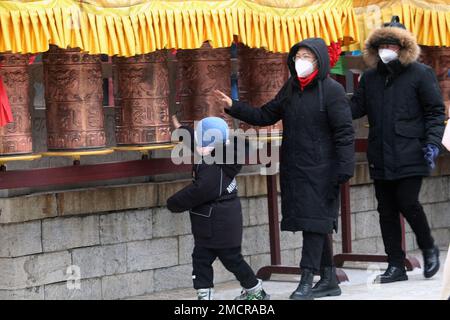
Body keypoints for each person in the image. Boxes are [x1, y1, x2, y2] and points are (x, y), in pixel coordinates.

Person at [214, 38, 355, 300]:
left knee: (315, 222)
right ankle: (328, 279)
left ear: (319, 60)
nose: (301, 61)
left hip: (324, 170)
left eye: (307, 56)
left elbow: (345, 133)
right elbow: (266, 115)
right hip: (296, 167)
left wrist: (345, 167)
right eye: (298, 55)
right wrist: (235, 107)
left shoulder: (332, 91)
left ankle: (306, 280)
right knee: (314, 222)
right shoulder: (291, 88)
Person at [350, 16, 445, 283]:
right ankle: (395, 264)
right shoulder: (369, 78)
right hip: (380, 152)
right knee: (386, 209)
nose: (386, 51)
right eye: (382, 46)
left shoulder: (421, 74)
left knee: (408, 202)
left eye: (391, 46)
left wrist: (432, 142)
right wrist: (330, 101)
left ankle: (429, 248)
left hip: (411, 151)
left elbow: (435, 111)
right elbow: (355, 108)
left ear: (403, 48)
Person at [166, 115, 269, 300]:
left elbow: (199, 191)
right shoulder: (220, 154)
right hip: (216, 221)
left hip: (217, 223)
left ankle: (255, 291)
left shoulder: (211, 166)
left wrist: (173, 203)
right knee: (202, 259)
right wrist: (181, 128)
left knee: (232, 260)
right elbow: (197, 142)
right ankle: (205, 294)